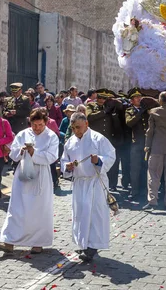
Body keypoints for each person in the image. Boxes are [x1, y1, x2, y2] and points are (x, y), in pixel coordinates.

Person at [0, 108, 59, 254]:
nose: (36, 129)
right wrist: (22, 151)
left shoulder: (51, 137)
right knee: (17, 207)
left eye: (40, 125)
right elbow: (13, 154)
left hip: (41, 174)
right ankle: (9, 241)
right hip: (23, 173)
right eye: (34, 125)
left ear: (46, 123)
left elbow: (52, 157)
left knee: (39, 209)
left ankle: (38, 242)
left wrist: (34, 153)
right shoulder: (23, 134)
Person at [61, 112, 116, 262]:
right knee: (80, 213)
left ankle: (92, 247)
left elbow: (111, 155)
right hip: (79, 182)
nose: (76, 131)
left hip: (95, 182)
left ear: (86, 124)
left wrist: (99, 160)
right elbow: (64, 160)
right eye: (73, 128)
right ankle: (83, 242)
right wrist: (68, 166)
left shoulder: (98, 139)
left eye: (79, 127)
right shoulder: (70, 142)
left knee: (94, 214)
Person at [86, 89, 123, 191]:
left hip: (109, 139)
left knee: (112, 162)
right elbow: (89, 117)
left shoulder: (112, 107)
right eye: (100, 98)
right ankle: (95, 183)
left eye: (104, 98)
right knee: (95, 162)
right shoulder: (91, 106)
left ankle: (112, 185)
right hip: (95, 140)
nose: (102, 100)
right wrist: (104, 112)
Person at [124, 88, 150, 200]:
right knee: (135, 168)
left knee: (146, 168)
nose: (139, 99)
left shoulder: (147, 110)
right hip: (136, 143)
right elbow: (129, 123)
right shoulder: (129, 111)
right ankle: (134, 191)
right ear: (131, 100)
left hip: (147, 143)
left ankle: (144, 191)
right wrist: (139, 113)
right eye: (136, 97)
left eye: (140, 97)